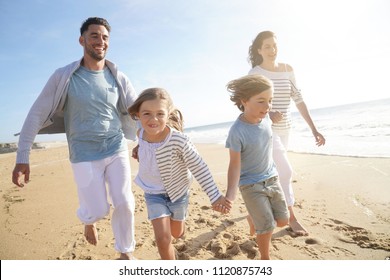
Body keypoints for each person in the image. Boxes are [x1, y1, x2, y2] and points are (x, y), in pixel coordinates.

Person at [11, 17, 138, 260]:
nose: (100, 41)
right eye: (94, 36)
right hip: (83, 154)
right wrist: (22, 157)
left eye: (104, 37)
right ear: (82, 40)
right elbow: (36, 114)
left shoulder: (118, 76)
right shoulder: (64, 76)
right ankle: (88, 219)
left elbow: (137, 110)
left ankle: (125, 253)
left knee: (124, 202)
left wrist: (144, 141)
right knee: (99, 209)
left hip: (115, 147)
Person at [128, 87, 231, 260]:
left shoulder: (179, 140)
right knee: (163, 238)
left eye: (160, 114)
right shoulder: (141, 132)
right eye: (146, 113)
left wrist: (215, 196)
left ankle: (176, 225)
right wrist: (139, 148)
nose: (153, 119)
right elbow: (146, 142)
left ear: (168, 114)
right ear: (138, 114)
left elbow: (199, 167)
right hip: (153, 193)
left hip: (178, 193)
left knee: (176, 233)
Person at [247, 31, 326, 236]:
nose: (272, 50)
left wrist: (314, 129)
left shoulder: (287, 69)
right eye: (267, 46)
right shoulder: (255, 73)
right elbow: (246, 103)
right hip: (264, 130)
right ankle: (291, 218)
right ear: (259, 50)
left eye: (274, 45)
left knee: (272, 173)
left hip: (285, 129)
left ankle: (254, 212)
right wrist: (268, 111)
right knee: (286, 171)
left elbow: (298, 99)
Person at [224, 74, 289, 260]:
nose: (267, 106)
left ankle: (252, 218)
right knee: (267, 226)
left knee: (283, 221)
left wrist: (274, 117)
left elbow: (268, 120)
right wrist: (230, 194)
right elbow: (234, 165)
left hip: (272, 178)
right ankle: (265, 259)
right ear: (244, 101)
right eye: (261, 101)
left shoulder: (266, 118)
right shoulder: (237, 132)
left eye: (270, 100)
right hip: (251, 185)